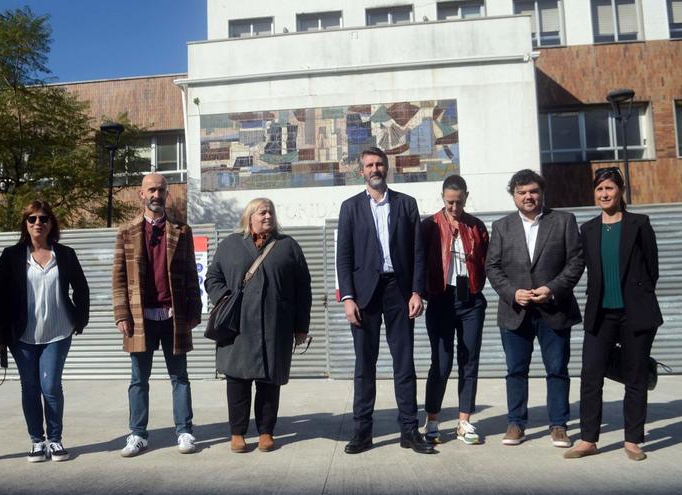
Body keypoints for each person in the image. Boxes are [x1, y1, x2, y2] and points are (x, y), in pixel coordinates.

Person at [336, 146, 434, 455]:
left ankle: (409, 430)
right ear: (361, 171)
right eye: (369, 165)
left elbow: (419, 253)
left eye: (379, 164)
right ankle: (362, 432)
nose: (375, 169)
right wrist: (348, 297)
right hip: (364, 294)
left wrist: (417, 291)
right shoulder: (350, 208)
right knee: (365, 365)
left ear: (387, 168)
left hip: (399, 292)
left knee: (404, 364)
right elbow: (344, 257)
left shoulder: (406, 205)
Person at [564, 168, 662, 461]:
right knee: (591, 376)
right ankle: (588, 439)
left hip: (635, 313)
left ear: (620, 191)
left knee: (635, 376)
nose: (604, 194)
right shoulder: (588, 229)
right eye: (599, 190)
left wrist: (638, 294)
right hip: (600, 314)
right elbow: (580, 268)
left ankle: (632, 440)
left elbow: (652, 268)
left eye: (609, 188)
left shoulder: (639, 224)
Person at [486, 169, 584, 448]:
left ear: (541, 193)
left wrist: (552, 288)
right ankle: (516, 423)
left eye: (533, 191)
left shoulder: (564, 221)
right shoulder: (502, 226)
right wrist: (512, 292)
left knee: (557, 369)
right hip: (515, 311)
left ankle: (558, 425)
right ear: (514, 196)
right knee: (515, 370)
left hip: (554, 308)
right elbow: (492, 267)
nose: (528, 197)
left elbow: (576, 262)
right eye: (522, 192)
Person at [204, 198, 312, 453]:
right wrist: (225, 298)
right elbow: (212, 278)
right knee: (237, 381)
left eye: (271, 212)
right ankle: (237, 433)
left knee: (269, 381)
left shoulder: (289, 247)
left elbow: (303, 289)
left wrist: (301, 326)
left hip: (276, 326)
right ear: (249, 216)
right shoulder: (230, 244)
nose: (267, 216)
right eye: (262, 212)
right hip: (238, 326)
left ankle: (266, 432)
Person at [0, 200, 90, 463]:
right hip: (22, 335)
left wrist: (80, 319)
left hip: (58, 332)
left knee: (51, 386)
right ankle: (37, 441)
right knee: (30, 387)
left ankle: (55, 440)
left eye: (44, 219)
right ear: (25, 223)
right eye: (32, 218)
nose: (38, 223)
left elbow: (81, 288)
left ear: (51, 224)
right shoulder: (12, 255)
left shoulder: (65, 254)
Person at [112, 173, 202, 456]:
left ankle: (185, 431)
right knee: (138, 379)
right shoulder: (127, 232)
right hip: (140, 318)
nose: (156, 195)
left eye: (161, 190)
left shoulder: (182, 231)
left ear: (167, 194)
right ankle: (138, 434)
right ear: (141, 194)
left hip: (173, 316)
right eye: (151, 190)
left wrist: (194, 310)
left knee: (180, 377)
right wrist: (121, 315)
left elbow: (190, 274)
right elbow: (119, 278)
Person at [420, 175, 489, 445]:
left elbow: (488, 261)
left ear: (466, 197)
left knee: (469, 360)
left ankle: (464, 422)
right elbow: (418, 261)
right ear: (442, 198)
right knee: (441, 362)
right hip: (441, 298)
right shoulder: (430, 226)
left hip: (470, 299)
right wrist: (418, 294)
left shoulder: (476, 226)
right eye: (449, 202)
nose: (454, 207)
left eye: (458, 202)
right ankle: (433, 420)